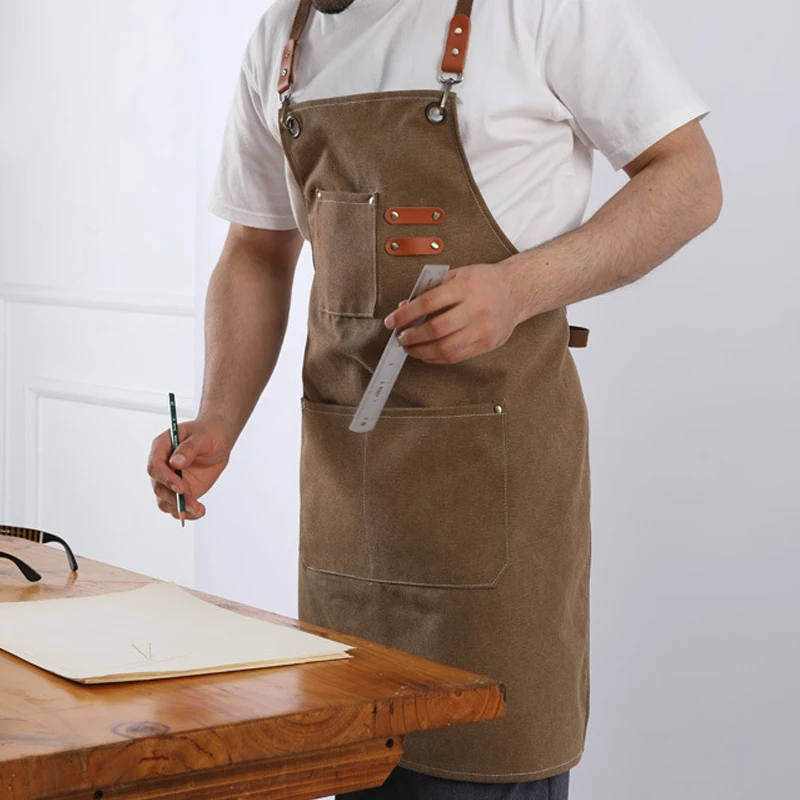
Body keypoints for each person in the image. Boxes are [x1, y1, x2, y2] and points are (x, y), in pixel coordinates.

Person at [147, 0, 721, 797]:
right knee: (353, 761)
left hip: (499, 518)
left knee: (484, 769)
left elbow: (689, 180)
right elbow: (256, 249)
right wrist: (217, 418)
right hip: (349, 523)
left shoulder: (538, 10)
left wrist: (518, 290)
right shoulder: (283, 37)